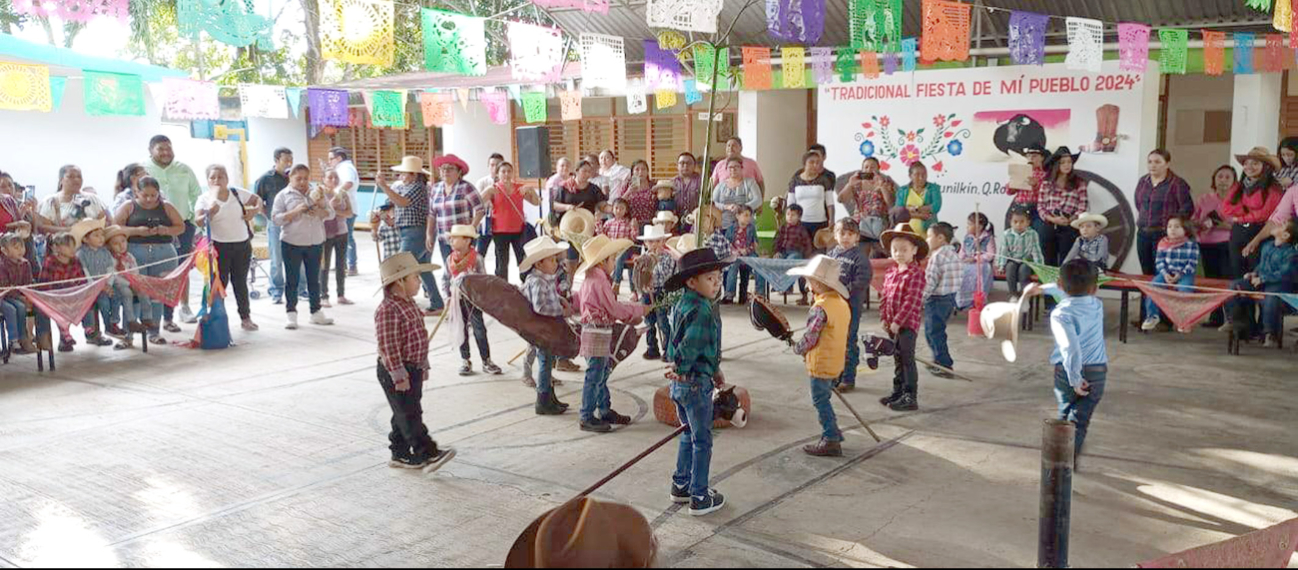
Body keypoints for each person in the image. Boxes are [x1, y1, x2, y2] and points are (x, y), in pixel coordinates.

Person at [374, 252, 456, 472]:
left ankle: (399, 453)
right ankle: (427, 452)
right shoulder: (387, 310)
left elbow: (417, 337)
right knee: (409, 413)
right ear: (399, 282)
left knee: (405, 410)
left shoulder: (409, 304)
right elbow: (389, 347)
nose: (420, 282)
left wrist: (423, 364)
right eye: (415, 278)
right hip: (396, 371)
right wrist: (399, 375)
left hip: (413, 367)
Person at [664, 247, 730, 517]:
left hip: (681, 385)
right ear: (692, 281)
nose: (716, 284)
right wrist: (681, 366)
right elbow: (691, 344)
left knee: (687, 433)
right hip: (693, 384)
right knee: (702, 440)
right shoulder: (703, 310)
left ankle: (681, 483)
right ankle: (700, 495)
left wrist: (714, 371)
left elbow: (678, 342)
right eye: (710, 279)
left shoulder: (681, 302)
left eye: (718, 278)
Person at [1023, 260, 1108, 467]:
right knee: (1080, 421)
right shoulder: (1097, 305)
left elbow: (1070, 348)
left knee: (1064, 416)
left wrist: (1075, 379)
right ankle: (1068, 461)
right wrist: (1041, 289)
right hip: (1097, 370)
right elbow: (1069, 293)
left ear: (1060, 283)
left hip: (1067, 371)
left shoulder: (1060, 314)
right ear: (1095, 288)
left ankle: (1058, 464)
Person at [576, 235, 646, 433]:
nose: (614, 262)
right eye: (612, 258)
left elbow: (579, 300)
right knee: (595, 375)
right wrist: (638, 310)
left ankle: (604, 409)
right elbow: (614, 309)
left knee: (600, 373)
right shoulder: (600, 282)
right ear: (602, 261)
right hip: (597, 333)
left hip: (595, 332)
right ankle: (586, 415)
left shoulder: (591, 279)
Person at [788, 255, 851, 457]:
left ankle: (831, 437)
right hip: (836, 360)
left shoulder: (820, 308)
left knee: (820, 400)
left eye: (808, 280)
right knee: (825, 396)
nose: (807, 284)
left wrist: (798, 348)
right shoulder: (841, 303)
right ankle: (833, 433)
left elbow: (811, 337)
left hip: (822, 363)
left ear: (816, 283)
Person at [115, 177, 185, 344]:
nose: (149, 199)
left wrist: (166, 230)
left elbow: (180, 226)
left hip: (164, 253)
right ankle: (128, 334)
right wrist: (136, 230)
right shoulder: (128, 206)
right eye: (145, 195)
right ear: (136, 192)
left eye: (153, 195)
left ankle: (154, 331)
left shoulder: (166, 206)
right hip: (134, 253)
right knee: (133, 293)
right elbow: (115, 228)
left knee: (157, 294)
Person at [196, 164, 262, 331]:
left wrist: (254, 211)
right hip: (219, 247)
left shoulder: (236, 192)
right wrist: (210, 212)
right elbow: (198, 221)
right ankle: (218, 317)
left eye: (221, 176)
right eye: (213, 177)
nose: (217, 180)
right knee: (220, 283)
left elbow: (257, 200)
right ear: (207, 180)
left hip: (242, 244)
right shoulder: (204, 198)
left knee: (240, 282)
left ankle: (245, 317)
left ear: (227, 178)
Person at [145, 135, 203, 326]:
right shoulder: (144, 170)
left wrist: (194, 222)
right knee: (159, 271)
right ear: (151, 150)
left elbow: (196, 195)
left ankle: (184, 307)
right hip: (153, 230)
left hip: (183, 227)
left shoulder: (184, 169)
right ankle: (159, 314)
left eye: (168, 148)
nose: (166, 152)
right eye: (160, 149)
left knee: (182, 267)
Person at [376, 156, 442, 314]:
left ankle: (399, 299)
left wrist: (384, 186)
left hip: (415, 232)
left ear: (414, 174)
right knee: (422, 268)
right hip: (406, 230)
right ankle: (437, 302)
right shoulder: (404, 187)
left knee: (400, 266)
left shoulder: (418, 187)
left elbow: (403, 202)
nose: (401, 177)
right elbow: (395, 202)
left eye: (404, 173)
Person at [272, 164, 335, 330]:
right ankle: (291, 314)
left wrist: (320, 211)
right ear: (290, 178)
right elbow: (276, 219)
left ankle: (316, 312)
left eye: (305, 178)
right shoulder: (283, 195)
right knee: (292, 280)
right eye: (298, 178)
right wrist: (295, 212)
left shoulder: (317, 193)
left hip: (315, 242)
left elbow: (331, 213)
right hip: (292, 242)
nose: (302, 182)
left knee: (314, 279)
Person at [518, 236, 573, 415]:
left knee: (547, 362)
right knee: (544, 362)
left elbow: (550, 296)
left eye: (555, 259)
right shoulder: (536, 282)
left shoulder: (545, 279)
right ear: (539, 264)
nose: (555, 263)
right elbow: (540, 307)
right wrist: (561, 311)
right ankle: (542, 400)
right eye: (551, 260)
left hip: (546, 330)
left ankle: (550, 397)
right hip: (541, 330)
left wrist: (560, 298)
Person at [1223, 219, 1298, 346]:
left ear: (1286, 235)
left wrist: (1262, 279)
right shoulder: (1267, 246)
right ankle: (1235, 320)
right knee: (1235, 285)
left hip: (1276, 284)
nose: (1278, 223)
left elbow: (1284, 274)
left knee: (1271, 297)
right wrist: (1254, 273)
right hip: (1260, 281)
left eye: (1283, 225)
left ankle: (1269, 332)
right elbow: (1261, 265)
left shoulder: (1291, 254)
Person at [879, 224, 928, 412]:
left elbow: (911, 301)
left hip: (906, 325)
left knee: (907, 358)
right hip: (892, 325)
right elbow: (885, 296)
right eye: (895, 250)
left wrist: (898, 321)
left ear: (914, 250)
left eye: (904, 250)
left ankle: (910, 395)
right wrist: (885, 318)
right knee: (897, 358)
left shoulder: (916, 274)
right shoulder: (891, 272)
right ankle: (897, 391)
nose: (899, 254)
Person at [443, 224, 500, 376]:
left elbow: (484, 279)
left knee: (479, 329)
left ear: (467, 241)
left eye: (455, 238)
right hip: (457, 299)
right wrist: (447, 296)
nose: (451, 241)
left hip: (474, 300)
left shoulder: (477, 259)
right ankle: (465, 360)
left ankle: (486, 360)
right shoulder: (450, 259)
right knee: (461, 329)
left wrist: (482, 296)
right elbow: (445, 279)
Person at [1133, 149, 1193, 277]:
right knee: (1146, 272)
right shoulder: (1143, 181)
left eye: (1157, 162)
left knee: (1162, 273)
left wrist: (1173, 227)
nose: (1152, 165)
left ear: (1167, 164)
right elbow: (1139, 204)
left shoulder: (1177, 183)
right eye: (1149, 162)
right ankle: (1147, 297)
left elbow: (1187, 208)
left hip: (1164, 234)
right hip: (1143, 233)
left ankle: (1161, 297)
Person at [826, 218, 870, 391]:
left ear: (857, 237)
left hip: (850, 306)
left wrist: (845, 291)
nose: (845, 237)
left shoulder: (860, 257)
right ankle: (835, 375)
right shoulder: (831, 254)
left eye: (850, 234)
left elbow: (862, 281)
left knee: (848, 340)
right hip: (832, 305)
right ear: (835, 235)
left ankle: (848, 378)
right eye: (842, 233)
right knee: (833, 341)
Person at [1227, 148, 1286, 277]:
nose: (1249, 167)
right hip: (1238, 232)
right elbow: (1227, 208)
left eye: (1255, 163)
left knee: (1256, 269)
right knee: (1237, 268)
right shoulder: (1239, 186)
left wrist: (1240, 218)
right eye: (1247, 163)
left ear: (1266, 167)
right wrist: (1243, 212)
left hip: (1260, 231)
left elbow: (1264, 214)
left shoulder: (1274, 188)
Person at [480, 161, 541, 281]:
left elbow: (536, 202)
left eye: (509, 171)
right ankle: (503, 291)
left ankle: (527, 286)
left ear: (512, 173)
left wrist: (531, 190)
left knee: (524, 261)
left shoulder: (520, 188)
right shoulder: (494, 189)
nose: (506, 174)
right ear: (498, 174)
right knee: (502, 264)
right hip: (500, 231)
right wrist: (487, 196)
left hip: (519, 231)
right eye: (503, 171)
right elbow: (477, 202)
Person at [427, 154, 487, 272]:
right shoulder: (436, 188)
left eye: (450, 168)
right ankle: (451, 291)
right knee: (450, 270)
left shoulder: (466, 187)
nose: (445, 171)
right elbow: (432, 214)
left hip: (463, 239)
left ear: (459, 172)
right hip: (444, 238)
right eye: (443, 168)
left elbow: (480, 210)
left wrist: (470, 228)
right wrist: (429, 234)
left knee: (465, 270)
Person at [1141, 216, 1200, 332]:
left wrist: (1180, 274)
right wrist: (1164, 274)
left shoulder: (1191, 245)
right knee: (1152, 287)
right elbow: (1159, 262)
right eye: (1169, 226)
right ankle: (1152, 316)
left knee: (1184, 290)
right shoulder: (1162, 243)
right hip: (1166, 273)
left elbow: (1192, 263)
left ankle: (1184, 320)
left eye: (1177, 227)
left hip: (1184, 274)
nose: (1172, 229)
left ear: (1185, 230)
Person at [255, 148, 294, 304]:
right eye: (286, 160)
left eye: (291, 159)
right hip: (276, 224)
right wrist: (271, 217)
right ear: (276, 160)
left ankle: (300, 289)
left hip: (294, 223)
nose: (289, 163)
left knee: (296, 257)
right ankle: (276, 290)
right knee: (276, 258)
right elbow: (259, 202)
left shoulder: (293, 177)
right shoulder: (265, 179)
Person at [1038, 147, 1089, 266]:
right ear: (1056, 165)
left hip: (1069, 223)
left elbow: (1083, 206)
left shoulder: (1079, 183)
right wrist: (1052, 219)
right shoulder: (1046, 183)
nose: (1067, 165)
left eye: (1069, 162)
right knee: (1048, 259)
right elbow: (1040, 206)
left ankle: (1064, 283)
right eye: (1063, 162)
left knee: (1066, 260)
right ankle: (1050, 283)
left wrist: (1071, 219)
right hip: (1050, 222)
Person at [923, 222, 961, 379]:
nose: (927, 240)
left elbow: (930, 281)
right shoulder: (954, 253)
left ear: (940, 238)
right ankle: (937, 360)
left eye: (929, 236)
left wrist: (920, 298)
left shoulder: (936, 257)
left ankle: (944, 364)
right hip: (950, 298)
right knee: (937, 330)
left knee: (933, 332)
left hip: (936, 299)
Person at [39, 232, 87, 352]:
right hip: (55, 296)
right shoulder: (50, 262)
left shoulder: (76, 260)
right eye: (68, 246)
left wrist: (81, 293)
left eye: (73, 246)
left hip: (73, 294)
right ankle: (65, 333)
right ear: (57, 247)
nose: (72, 249)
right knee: (59, 306)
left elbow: (82, 281)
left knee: (88, 300)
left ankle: (89, 329)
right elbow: (44, 285)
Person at [71, 219, 115, 347]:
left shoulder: (105, 252)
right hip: (88, 287)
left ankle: (109, 325)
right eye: (96, 235)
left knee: (105, 301)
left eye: (102, 235)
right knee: (89, 303)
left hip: (104, 287)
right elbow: (84, 272)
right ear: (85, 239)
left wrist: (108, 285)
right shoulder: (81, 254)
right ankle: (91, 331)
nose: (101, 238)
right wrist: (97, 286)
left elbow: (110, 269)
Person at [837, 158, 895, 255]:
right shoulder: (857, 183)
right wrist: (849, 184)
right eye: (866, 167)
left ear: (878, 169)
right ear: (862, 169)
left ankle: (872, 243)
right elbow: (841, 199)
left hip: (878, 219)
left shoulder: (885, 181)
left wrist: (882, 186)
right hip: (860, 219)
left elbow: (890, 202)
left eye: (872, 167)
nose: (869, 169)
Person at [104, 226, 149, 347]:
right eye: (116, 243)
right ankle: (128, 328)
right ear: (109, 246)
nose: (121, 245)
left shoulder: (130, 257)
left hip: (132, 284)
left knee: (141, 293)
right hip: (117, 286)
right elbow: (113, 276)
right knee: (127, 294)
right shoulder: (109, 259)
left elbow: (135, 271)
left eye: (123, 241)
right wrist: (130, 284)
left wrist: (136, 283)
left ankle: (146, 318)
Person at [37, 165, 109, 234]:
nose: (76, 180)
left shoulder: (93, 199)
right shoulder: (51, 201)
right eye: (70, 177)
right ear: (61, 180)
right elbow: (43, 228)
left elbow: (106, 222)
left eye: (79, 176)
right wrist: (71, 230)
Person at [317, 169, 354, 308]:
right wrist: (331, 209)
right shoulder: (319, 194)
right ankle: (324, 296)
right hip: (325, 233)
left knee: (341, 264)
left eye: (336, 177)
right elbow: (319, 213)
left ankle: (341, 294)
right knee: (324, 265)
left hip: (342, 232)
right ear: (323, 179)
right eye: (329, 177)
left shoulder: (342, 194)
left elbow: (350, 213)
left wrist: (333, 211)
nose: (333, 180)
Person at [639, 225, 676, 361]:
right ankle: (651, 347)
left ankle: (668, 349)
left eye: (657, 241)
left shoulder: (667, 257)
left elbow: (666, 275)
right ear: (645, 243)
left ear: (662, 242)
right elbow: (639, 275)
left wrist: (656, 260)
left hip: (662, 290)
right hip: (647, 292)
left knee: (663, 320)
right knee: (648, 320)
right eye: (650, 241)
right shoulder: (644, 257)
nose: (653, 244)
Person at [783, 151, 837, 240]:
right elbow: (790, 203)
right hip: (800, 222)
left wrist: (831, 220)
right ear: (805, 164)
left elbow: (830, 203)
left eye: (817, 163)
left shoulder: (824, 180)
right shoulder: (795, 181)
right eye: (811, 162)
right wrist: (790, 219)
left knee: (818, 251)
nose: (815, 165)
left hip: (820, 222)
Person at [0, 233, 37, 354]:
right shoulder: (2, 265)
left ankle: (25, 338)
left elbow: (28, 283)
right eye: (16, 247)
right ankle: (14, 339)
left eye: (22, 246)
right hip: (5, 296)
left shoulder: (26, 264)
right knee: (14, 308)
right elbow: (5, 288)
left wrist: (27, 296)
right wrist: (21, 297)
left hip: (19, 296)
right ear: (4, 251)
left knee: (25, 307)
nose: (20, 250)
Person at [327, 146, 361, 275]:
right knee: (339, 236)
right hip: (340, 207)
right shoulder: (340, 168)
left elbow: (348, 183)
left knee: (347, 237)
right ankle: (343, 264)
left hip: (347, 207)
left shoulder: (346, 168)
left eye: (331, 159)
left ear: (339, 158)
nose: (329, 161)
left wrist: (336, 194)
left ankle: (352, 265)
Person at [998, 207, 1045, 300]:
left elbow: (1036, 251)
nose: (1018, 225)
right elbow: (1003, 251)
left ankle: (1024, 294)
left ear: (1028, 222)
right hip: (1012, 259)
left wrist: (1040, 267)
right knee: (1010, 268)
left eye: (1022, 222)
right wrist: (1001, 265)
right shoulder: (1006, 234)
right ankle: (1013, 294)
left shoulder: (1032, 234)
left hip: (1026, 260)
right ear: (1010, 222)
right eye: (1015, 222)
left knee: (1024, 270)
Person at [773, 204, 814, 304]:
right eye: (788, 214)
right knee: (778, 261)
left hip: (796, 253)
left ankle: (788, 286)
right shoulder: (783, 228)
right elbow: (777, 241)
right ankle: (783, 285)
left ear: (799, 217)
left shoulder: (801, 229)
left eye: (793, 215)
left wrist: (807, 258)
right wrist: (776, 252)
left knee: (792, 261)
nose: (790, 217)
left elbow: (807, 244)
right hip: (783, 252)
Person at [598, 198, 639, 297]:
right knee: (613, 258)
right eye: (616, 208)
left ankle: (616, 283)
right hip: (612, 249)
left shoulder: (628, 223)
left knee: (620, 258)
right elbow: (602, 235)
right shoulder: (608, 223)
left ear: (626, 210)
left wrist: (634, 228)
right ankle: (608, 285)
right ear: (612, 209)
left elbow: (634, 238)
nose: (619, 211)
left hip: (625, 248)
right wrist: (598, 223)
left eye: (622, 208)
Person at [1007, 144, 1049, 236]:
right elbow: (1009, 191)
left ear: (1042, 158)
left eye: (1034, 156)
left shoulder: (1046, 175)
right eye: (1028, 156)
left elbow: (1047, 194)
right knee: (1012, 236)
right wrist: (1014, 183)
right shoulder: (1021, 171)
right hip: (1019, 206)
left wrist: (1036, 185)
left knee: (1038, 235)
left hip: (1036, 208)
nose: (1030, 159)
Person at [958, 212, 996, 311]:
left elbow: (991, 254)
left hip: (981, 264)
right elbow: (962, 251)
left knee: (978, 273)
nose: (967, 227)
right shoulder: (967, 237)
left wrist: (976, 258)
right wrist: (962, 258)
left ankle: (976, 301)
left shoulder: (987, 238)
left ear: (979, 227)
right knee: (960, 272)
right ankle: (962, 301)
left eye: (969, 224)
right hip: (967, 263)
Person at [712, 157, 763, 231]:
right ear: (726, 169)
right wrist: (726, 207)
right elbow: (713, 202)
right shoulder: (720, 185)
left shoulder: (750, 182)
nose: (733, 169)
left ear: (742, 168)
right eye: (730, 167)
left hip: (746, 225)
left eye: (736, 167)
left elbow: (758, 200)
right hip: (724, 225)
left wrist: (741, 208)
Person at [722, 205, 758, 304]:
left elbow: (755, 243)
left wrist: (747, 250)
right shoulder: (731, 228)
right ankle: (729, 294)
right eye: (745, 215)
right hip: (735, 254)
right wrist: (735, 251)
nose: (748, 218)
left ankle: (755, 294)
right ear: (737, 216)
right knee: (732, 267)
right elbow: (727, 243)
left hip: (747, 254)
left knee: (756, 266)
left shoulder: (751, 228)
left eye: (750, 216)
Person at [895, 162, 942, 235]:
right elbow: (899, 211)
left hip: (928, 232)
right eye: (917, 175)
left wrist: (914, 208)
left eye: (924, 174)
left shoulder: (933, 188)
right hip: (906, 232)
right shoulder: (903, 190)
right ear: (910, 176)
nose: (921, 177)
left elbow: (936, 207)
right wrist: (921, 215)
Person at [474, 153, 505, 257]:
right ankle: (479, 272)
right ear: (488, 166)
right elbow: (477, 202)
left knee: (501, 255)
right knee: (481, 252)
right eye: (492, 165)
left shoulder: (507, 183)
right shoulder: (482, 182)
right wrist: (490, 190)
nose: (495, 168)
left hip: (501, 223)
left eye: (498, 165)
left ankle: (499, 274)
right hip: (485, 222)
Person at [618, 160, 659, 227]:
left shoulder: (653, 186)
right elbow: (618, 203)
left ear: (647, 172)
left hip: (650, 223)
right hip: (630, 223)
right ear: (632, 172)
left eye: (643, 169)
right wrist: (628, 192)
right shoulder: (627, 185)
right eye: (637, 169)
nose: (640, 172)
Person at [672, 153, 702, 224]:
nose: (685, 166)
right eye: (682, 163)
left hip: (696, 222)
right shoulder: (671, 183)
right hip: (675, 223)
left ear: (694, 166)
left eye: (689, 163)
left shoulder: (702, 181)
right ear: (677, 166)